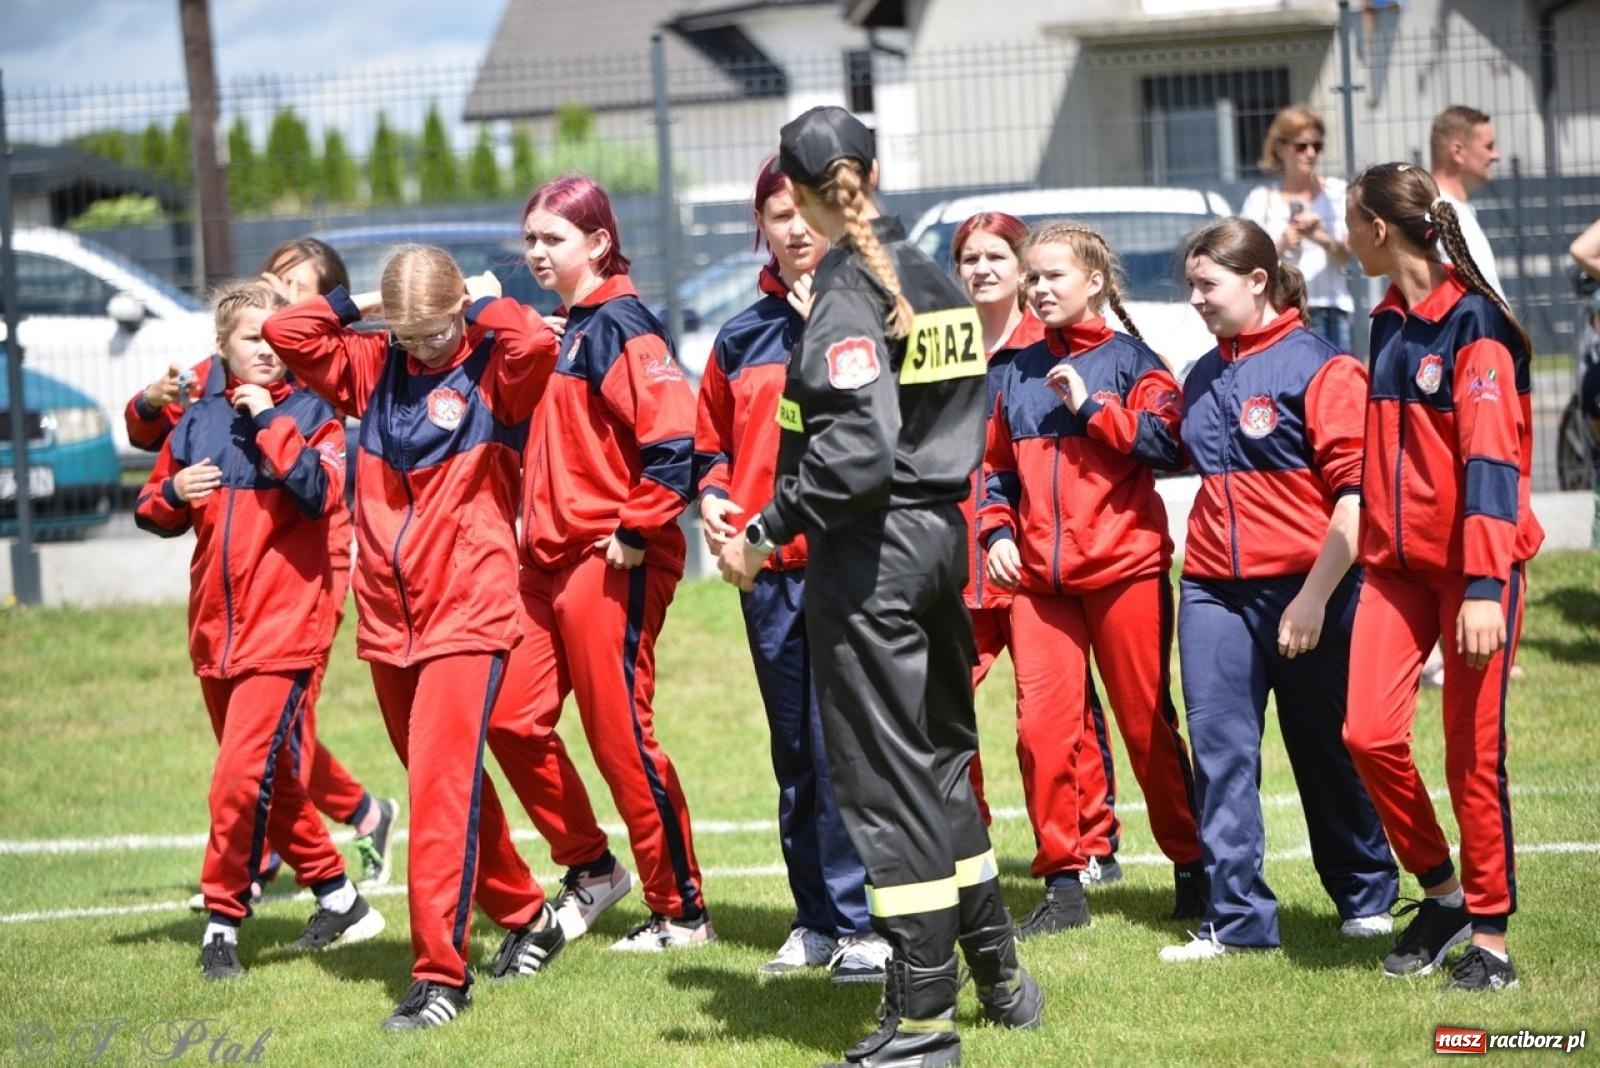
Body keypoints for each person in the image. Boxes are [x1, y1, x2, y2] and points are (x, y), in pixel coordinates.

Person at [721, 105, 1041, 1068]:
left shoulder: (852, 289)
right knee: (942, 759)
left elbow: (854, 455)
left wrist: (765, 530)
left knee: (886, 781)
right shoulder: (936, 273)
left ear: (805, 191)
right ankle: (1000, 975)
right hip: (937, 538)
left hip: (874, 559)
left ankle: (922, 1017)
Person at [262, 245, 568, 1030]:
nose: (425, 348)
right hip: (389, 619)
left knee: (438, 792)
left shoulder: (497, 365)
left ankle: (441, 976)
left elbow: (538, 342)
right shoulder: (373, 362)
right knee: (449, 782)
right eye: (410, 335)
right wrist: (368, 305)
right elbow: (291, 333)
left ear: (460, 308)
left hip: (472, 609)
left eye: (436, 331)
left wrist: (481, 302)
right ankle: (528, 913)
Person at [127, 237, 399, 905]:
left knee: (275, 722)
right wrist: (148, 399)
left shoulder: (317, 368)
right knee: (272, 733)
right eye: (275, 280)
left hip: (309, 560)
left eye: (300, 289)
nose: (282, 299)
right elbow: (152, 436)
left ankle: (254, 865)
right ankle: (355, 822)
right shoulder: (236, 349)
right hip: (234, 577)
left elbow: (317, 482)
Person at [1159, 218, 1398, 963]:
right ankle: (1238, 921)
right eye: (1190, 285)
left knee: (1325, 750)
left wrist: (1314, 596)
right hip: (1209, 591)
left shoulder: (1322, 370)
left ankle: (1366, 894)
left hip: (1308, 590)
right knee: (1222, 753)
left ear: (1258, 281)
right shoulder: (1201, 373)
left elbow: (1355, 501)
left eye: (1208, 284)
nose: (1195, 299)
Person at [1341, 162, 1544, 992]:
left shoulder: (1476, 328)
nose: (1341, 235)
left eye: (1348, 221)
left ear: (1380, 230)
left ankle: (1490, 938)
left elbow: (1492, 466)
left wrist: (1488, 588)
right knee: (1366, 734)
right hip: (1396, 571)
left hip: (1472, 574)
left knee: (1471, 755)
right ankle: (1442, 892)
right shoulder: (1387, 320)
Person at [504, 173, 712, 953]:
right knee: (509, 720)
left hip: (608, 559)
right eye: (529, 239)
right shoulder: (571, 327)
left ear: (597, 242)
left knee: (620, 734)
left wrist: (634, 529)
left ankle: (681, 911)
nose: (536, 253)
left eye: (551, 239)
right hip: (544, 564)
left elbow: (675, 442)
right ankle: (592, 866)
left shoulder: (624, 325)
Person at [693, 156, 890, 982]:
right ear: (761, 228)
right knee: (794, 752)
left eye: (808, 209)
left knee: (842, 743)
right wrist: (708, 492)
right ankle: (814, 918)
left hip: (847, 565)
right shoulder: (739, 335)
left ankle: (859, 925)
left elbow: (875, 442)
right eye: (779, 213)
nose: (796, 227)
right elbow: (710, 439)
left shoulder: (871, 314)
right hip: (763, 573)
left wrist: (827, 324)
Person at [979, 221, 1205, 936]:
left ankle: (1194, 867)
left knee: (1145, 728)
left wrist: (1091, 407)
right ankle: (1063, 883)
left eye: (1053, 277)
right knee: (1041, 731)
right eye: (1034, 277)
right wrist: (995, 532)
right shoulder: (1009, 371)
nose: (1039, 288)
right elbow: (993, 471)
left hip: (1124, 573)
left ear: (1097, 283)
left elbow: (1170, 443)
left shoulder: (1136, 363)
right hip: (1039, 586)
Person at [951, 211, 1123, 886]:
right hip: (953, 555)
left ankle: (1093, 843)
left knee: (1058, 709)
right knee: (940, 706)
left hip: (1028, 558)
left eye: (997, 256)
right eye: (969, 258)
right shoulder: (942, 346)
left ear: (1023, 269)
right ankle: (967, 835)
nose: (982, 269)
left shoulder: (1048, 347)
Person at [1241, 105, 1353, 351]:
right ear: (1279, 148)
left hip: (1330, 308)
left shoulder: (1336, 193)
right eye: (1301, 146)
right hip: (1280, 311)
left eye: (1317, 146)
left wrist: (1321, 237)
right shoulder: (1261, 200)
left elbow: (1351, 256)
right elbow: (1244, 260)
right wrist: (1281, 244)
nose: (1310, 153)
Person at [1430, 105, 1504, 298]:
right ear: (1457, 152)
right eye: (1488, 147)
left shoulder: (1459, 210)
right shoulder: (1432, 215)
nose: (1496, 156)